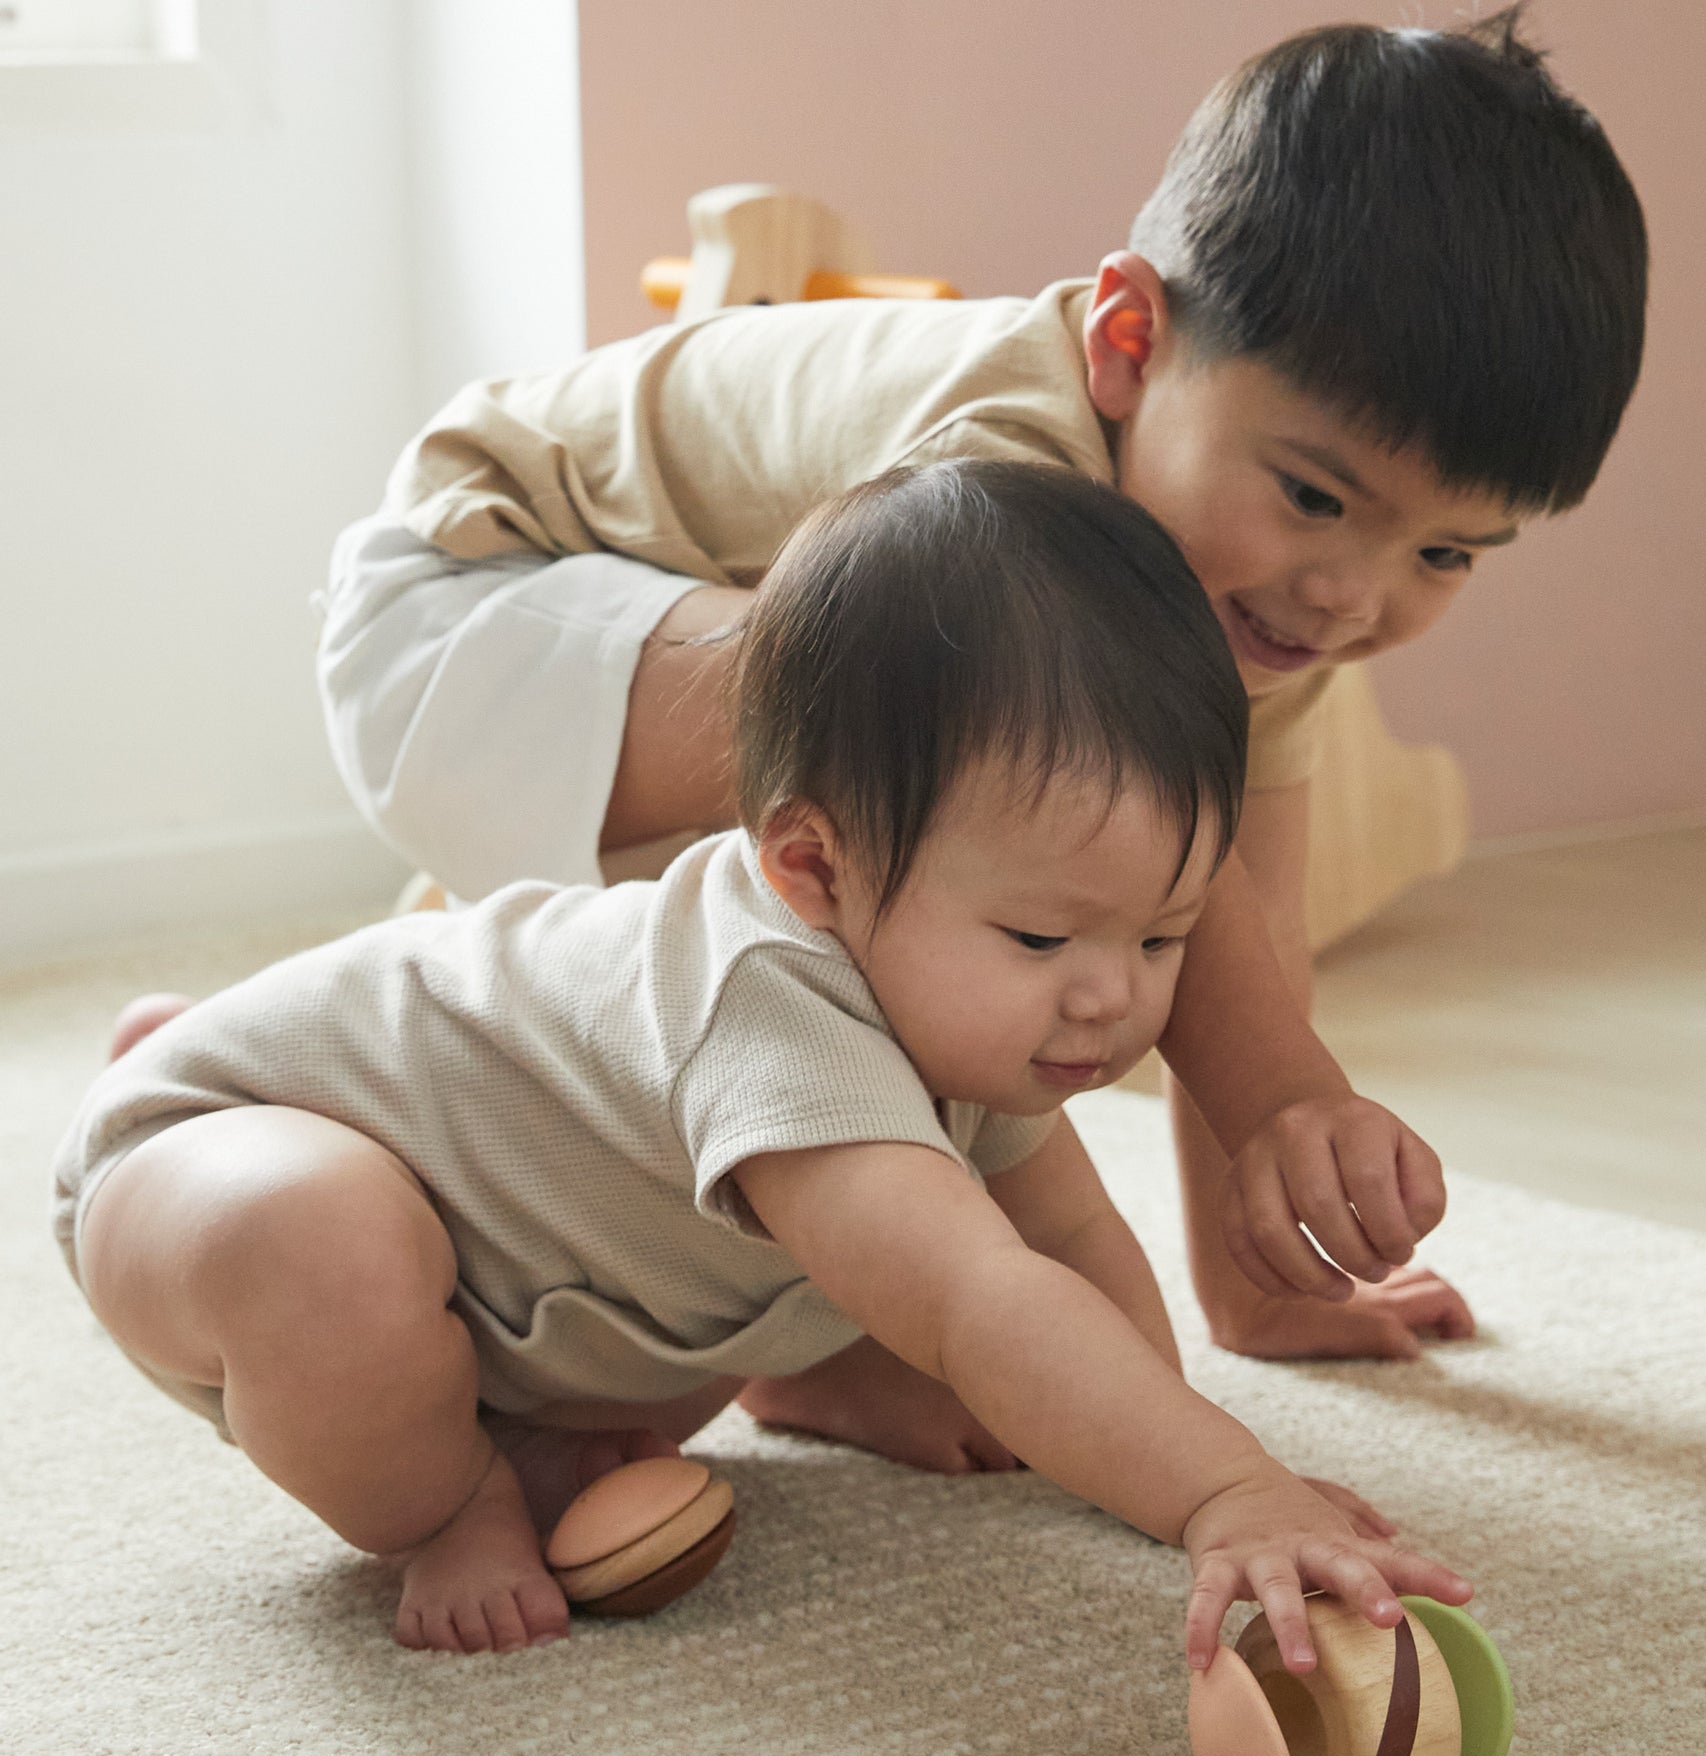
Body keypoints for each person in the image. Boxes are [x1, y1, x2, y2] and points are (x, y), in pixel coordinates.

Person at [313, 11, 1647, 1452]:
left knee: (967, 888)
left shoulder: (1261, 588)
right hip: (462, 620)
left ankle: (791, 1336)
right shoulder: (1005, 467)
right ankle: (871, 1280)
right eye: (1316, 498)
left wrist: (1256, 1278)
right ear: (1129, 341)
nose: (1352, 593)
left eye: (1446, 555)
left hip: (619, 717)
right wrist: (1288, 1097)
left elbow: (1231, 904)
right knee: (931, 816)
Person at [55, 462, 1472, 1660]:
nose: (1110, 999)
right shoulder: (769, 999)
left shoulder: (970, 1002)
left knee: (804, 1295)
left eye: (1161, 936)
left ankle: (560, 1426)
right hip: (226, 1141)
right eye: (1042, 935)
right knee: (320, 1247)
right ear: (810, 865)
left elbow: (1070, 1248)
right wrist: (1221, 1499)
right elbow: (983, 1303)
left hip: (522, 1284)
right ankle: (446, 1496)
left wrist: (1177, 1452)